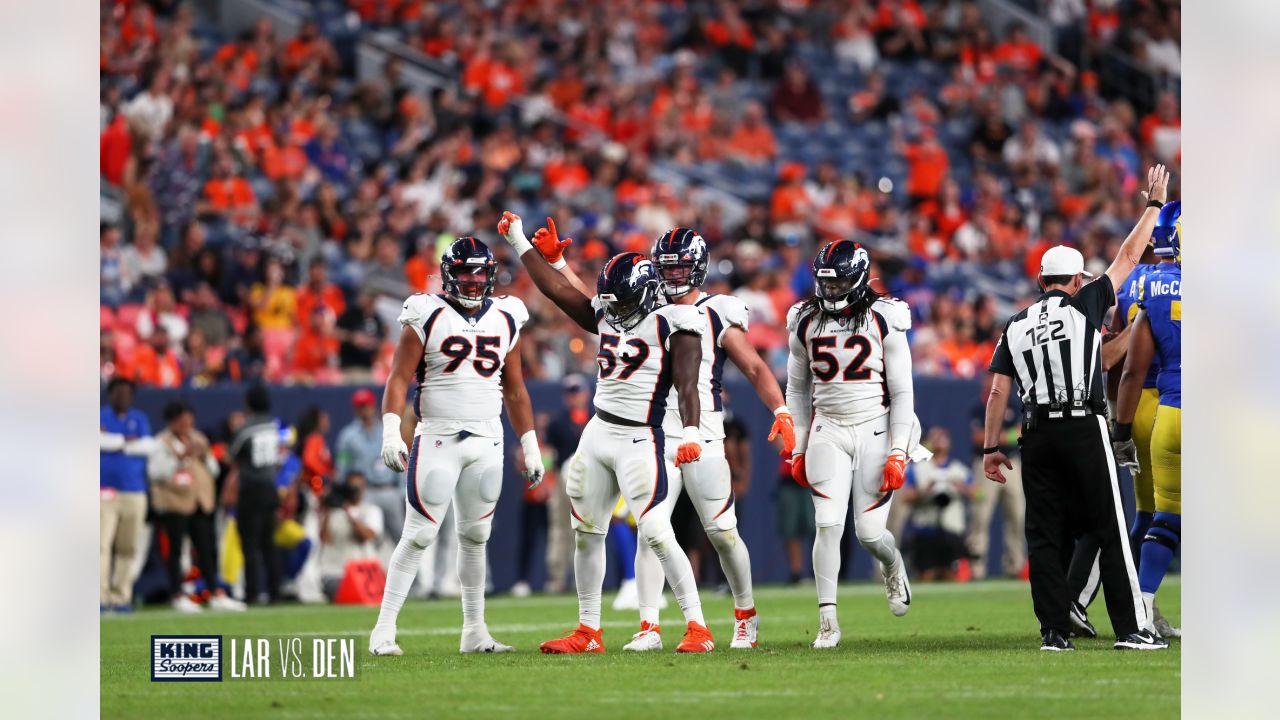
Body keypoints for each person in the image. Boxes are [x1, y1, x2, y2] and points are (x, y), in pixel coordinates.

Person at [531, 223, 795, 649]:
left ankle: (745, 614)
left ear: (699, 267)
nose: (673, 276)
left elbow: (754, 367)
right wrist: (559, 264)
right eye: (666, 268)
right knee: (651, 529)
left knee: (722, 532)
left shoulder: (717, 310)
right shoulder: (645, 303)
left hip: (703, 431)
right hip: (653, 432)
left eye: (681, 268)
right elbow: (597, 307)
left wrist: (780, 409)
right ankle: (650, 626)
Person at [499, 211, 714, 654]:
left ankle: (698, 626)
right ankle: (589, 630)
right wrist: (521, 242)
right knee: (587, 531)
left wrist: (691, 430)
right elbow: (558, 291)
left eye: (622, 301)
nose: (612, 308)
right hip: (599, 433)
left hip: (643, 437)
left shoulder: (678, 323)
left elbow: (689, 385)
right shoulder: (610, 309)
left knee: (655, 530)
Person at [982, 164, 1170, 652]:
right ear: (1075, 279)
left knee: (1043, 537)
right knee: (1110, 528)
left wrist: (989, 447)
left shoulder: (1016, 322)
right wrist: (1152, 206)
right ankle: (1132, 629)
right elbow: (1129, 256)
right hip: (1083, 428)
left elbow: (999, 391)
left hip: (1035, 434)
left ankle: (1053, 632)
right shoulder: (1083, 303)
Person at [369, 236, 543, 656]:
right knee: (419, 535)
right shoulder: (426, 313)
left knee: (476, 535)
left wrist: (530, 443)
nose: (472, 280)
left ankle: (475, 631)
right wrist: (392, 430)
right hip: (439, 436)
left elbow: (515, 390)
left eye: (480, 272)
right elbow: (398, 377)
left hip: (488, 438)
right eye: (465, 272)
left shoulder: (506, 315)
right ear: (449, 275)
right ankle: (383, 630)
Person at [786, 240, 929, 649]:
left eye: (840, 283)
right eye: (825, 284)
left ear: (861, 279)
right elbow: (797, 390)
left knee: (868, 534)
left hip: (875, 425)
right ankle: (828, 621)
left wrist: (899, 452)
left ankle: (892, 562)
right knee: (827, 524)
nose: (830, 292)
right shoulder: (804, 320)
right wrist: (798, 447)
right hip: (828, 428)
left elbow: (903, 393)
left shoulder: (885, 317)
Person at [1112, 200, 1182, 637]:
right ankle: (1140, 605)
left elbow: (1125, 362)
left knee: (1149, 513)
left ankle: (1135, 606)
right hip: (1172, 399)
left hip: (1144, 405)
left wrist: (1119, 425)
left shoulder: (1138, 282)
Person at [148, 400, 245, 612]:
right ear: (172, 421)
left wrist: (204, 456)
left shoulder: (199, 439)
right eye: (182, 420)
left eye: (189, 419)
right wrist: (178, 459)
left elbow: (214, 470)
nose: (187, 424)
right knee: (175, 552)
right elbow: (156, 473)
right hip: (174, 503)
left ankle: (215, 593)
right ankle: (177, 594)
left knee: (207, 550)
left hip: (200, 502)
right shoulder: (161, 442)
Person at [100, 377, 156, 611]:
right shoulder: (99, 415)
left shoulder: (139, 418)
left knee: (128, 548)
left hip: (134, 491)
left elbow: (148, 446)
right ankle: (100, 598)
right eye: (118, 393)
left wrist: (112, 442)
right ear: (110, 394)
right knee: (101, 546)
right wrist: (124, 441)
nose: (123, 397)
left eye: (127, 393)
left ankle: (122, 597)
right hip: (104, 492)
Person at [228, 385, 286, 605]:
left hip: (251, 488)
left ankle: (252, 592)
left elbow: (232, 454)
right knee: (268, 543)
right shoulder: (273, 424)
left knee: (250, 543)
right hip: (270, 487)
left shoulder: (247, 427)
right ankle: (275, 592)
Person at [966, 372, 1026, 580]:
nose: (992, 380)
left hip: (1011, 465)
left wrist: (993, 437)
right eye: (989, 376)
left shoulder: (1013, 403)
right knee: (980, 516)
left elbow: (1020, 433)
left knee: (1017, 515)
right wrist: (1004, 437)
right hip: (984, 465)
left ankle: (1015, 564)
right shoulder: (978, 406)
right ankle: (976, 567)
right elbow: (977, 438)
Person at [540, 375, 592, 594]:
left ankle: (585, 579)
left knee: (586, 529)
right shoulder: (558, 422)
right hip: (562, 480)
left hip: (590, 479)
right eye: (571, 392)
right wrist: (546, 481)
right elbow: (549, 453)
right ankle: (558, 577)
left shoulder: (594, 420)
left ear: (586, 394)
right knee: (560, 529)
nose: (574, 397)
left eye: (577, 391)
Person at [903, 427, 973, 581]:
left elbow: (979, 495)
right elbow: (906, 497)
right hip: (925, 530)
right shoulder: (918, 469)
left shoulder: (958, 469)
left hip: (951, 531)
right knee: (925, 575)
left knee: (951, 575)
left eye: (943, 437)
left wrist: (961, 487)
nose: (940, 440)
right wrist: (925, 491)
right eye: (935, 437)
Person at [335, 389, 403, 545]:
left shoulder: (387, 431)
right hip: (365, 492)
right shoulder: (347, 436)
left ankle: (413, 571)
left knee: (402, 540)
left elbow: (398, 459)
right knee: (369, 541)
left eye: (366, 405)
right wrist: (345, 494)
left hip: (389, 490)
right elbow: (342, 467)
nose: (364, 409)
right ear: (355, 409)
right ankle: (372, 570)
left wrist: (401, 491)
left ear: (374, 406)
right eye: (360, 406)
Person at [319, 472, 385, 600]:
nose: (355, 491)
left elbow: (366, 536)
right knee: (343, 592)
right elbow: (324, 539)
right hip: (337, 573)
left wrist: (348, 513)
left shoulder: (371, 510)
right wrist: (326, 508)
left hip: (365, 573)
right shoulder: (333, 512)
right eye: (352, 487)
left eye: (359, 487)